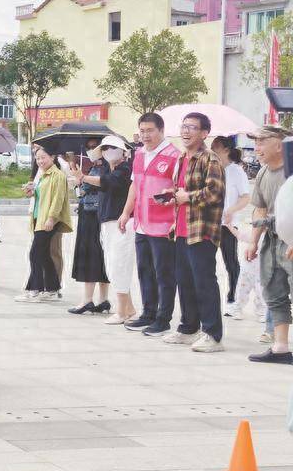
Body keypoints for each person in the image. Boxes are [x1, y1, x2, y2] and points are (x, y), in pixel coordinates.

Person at [157, 112, 225, 352]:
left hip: (202, 231)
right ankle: (188, 328)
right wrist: (174, 200)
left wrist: (188, 197)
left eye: (192, 128)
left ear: (204, 133)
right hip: (183, 229)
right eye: (184, 127)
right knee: (184, 281)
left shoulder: (210, 159)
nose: (186, 132)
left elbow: (215, 192)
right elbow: (182, 193)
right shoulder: (181, 159)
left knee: (204, 281)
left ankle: (212, 334)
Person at [119, 112, 182, 337]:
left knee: (164, 273)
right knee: (145, 270)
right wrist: (126, 213)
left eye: (150, 131)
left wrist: (170, 195)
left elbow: (181, 188)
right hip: (142, 223)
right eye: (142, 130)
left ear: (161, 131)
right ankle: (148, 313)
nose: (146, 135)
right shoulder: (138, 154)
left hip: (164, 225)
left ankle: (163, 319)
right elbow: (134, 186)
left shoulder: (174, 156)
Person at [75, 135, 136, 323]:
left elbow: (107, 182)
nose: (109, 151)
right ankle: (129, 308)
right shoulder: (108, 170)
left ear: (124, 152)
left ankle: (122, 311)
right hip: (107, 223)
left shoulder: (125, 169)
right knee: (112, 266)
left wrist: (83, 177)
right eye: (105, 148)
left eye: (112, 147)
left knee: (119, 266)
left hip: (121, 223)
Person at [245, 125, 293, 364]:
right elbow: (260, 207)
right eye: (256, 142)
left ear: (279, 143)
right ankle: (281, 347)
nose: (257, 148)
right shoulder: (263, 173)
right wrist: (253, 241)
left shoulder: (291, 171)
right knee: (274, 292)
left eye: (262, 142)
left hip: (291, 239)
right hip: (272, 240)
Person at [16, 146, 72, 302]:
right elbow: (42, 195)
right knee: (45, 255)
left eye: (43, 157)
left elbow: (58, 199)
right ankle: (53, 289)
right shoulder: (43, 175)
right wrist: (32, 191)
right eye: (37, 158)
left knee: (35, 254)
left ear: (52, 157)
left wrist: (52, 218)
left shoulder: (58, 175)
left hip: (47, 221)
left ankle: (35, 290)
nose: (40, 161)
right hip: (38, 218)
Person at [67, 138, 110, 315]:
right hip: (90, 214)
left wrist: (82, 178)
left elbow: (101, 184)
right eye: (89, 147)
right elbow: (84, 190)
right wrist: (79, 182)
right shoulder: (95, 166)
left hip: (95, 217)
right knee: (100, 257)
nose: (91, 150)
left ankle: (88, 300)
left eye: (95, 147)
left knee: (92, 256)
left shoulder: (105, 167)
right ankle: (103, 299)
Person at [211, 137, 252, 318]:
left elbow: (245, 197)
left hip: (228, 225)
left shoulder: (236, 171)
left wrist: (231, 210)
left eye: (216, 147)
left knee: (230, 262)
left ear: (226, 149)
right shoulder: (211, 168)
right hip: (209, 223)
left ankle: (233, 298)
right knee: (206, 263)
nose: (213, 151)